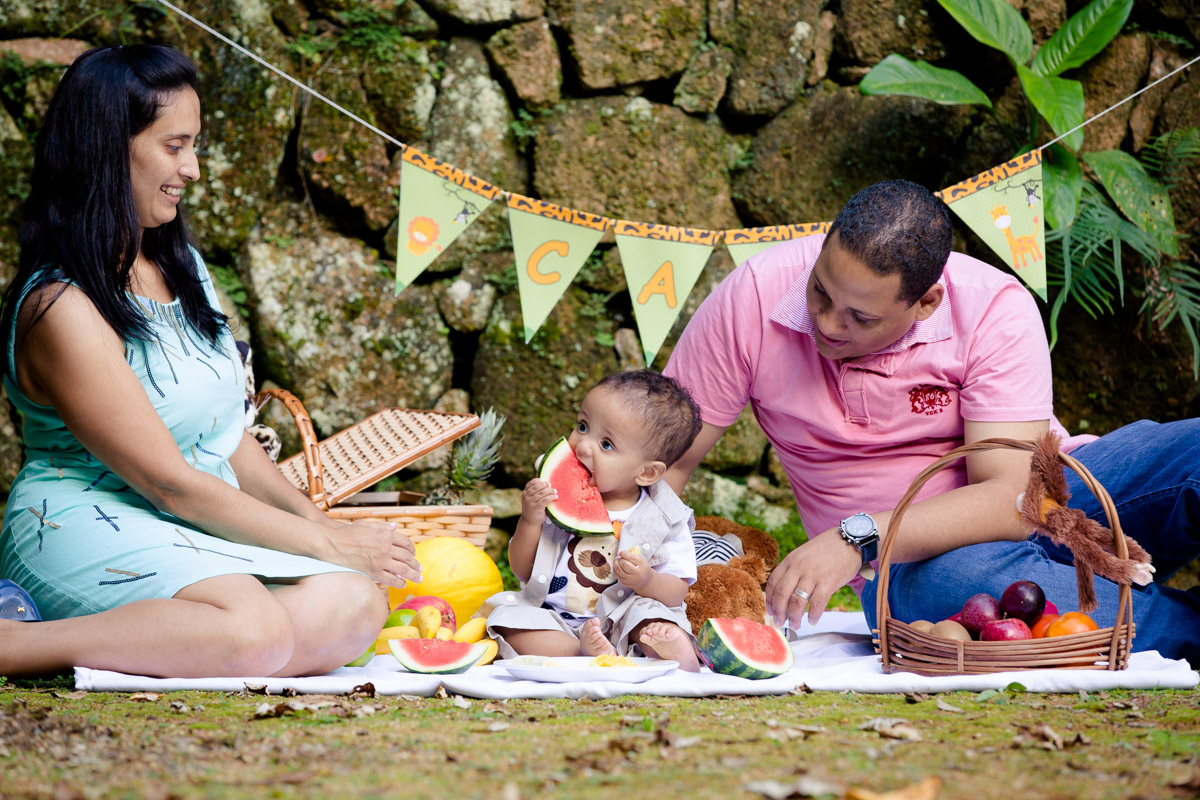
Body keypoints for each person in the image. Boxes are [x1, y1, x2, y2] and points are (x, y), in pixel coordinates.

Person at [0, 44, 420, 679]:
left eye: (193, 146)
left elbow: (227, 437)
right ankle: (19, 642)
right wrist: (327, 542)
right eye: (175, 146)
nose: (193, 169)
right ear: (109, 146)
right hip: (84, 518)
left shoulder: (180, 266)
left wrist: (320, 525)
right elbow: (167, 481)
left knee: (353, 602)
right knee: (254, 630)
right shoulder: (62, 305)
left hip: (190, 514)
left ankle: (193, 641)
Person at [663, 179, 1199, 665]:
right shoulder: (753, 296)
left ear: (926, 302)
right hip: (906, 565)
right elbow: (662, 461)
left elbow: (1015, 498)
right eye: (821, 292)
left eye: (861, 317)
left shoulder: (994, 306)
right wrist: (627, 590)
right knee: (963, 586)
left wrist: (856, 536)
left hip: (1053, 495)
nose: (825, 323)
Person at [486, 370, 704, 671]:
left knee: (653, 619)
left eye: (607, 444)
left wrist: (647, 580)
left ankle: (668, 647)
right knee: (505, 618)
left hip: (626, 617)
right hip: (555, 620)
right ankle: (582, 653)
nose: (583, 445)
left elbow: (677, 591)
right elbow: (522, 569)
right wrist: (530, 520)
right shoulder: (556, 494)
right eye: (583, 426)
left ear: (647, 473)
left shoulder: (667, 517)